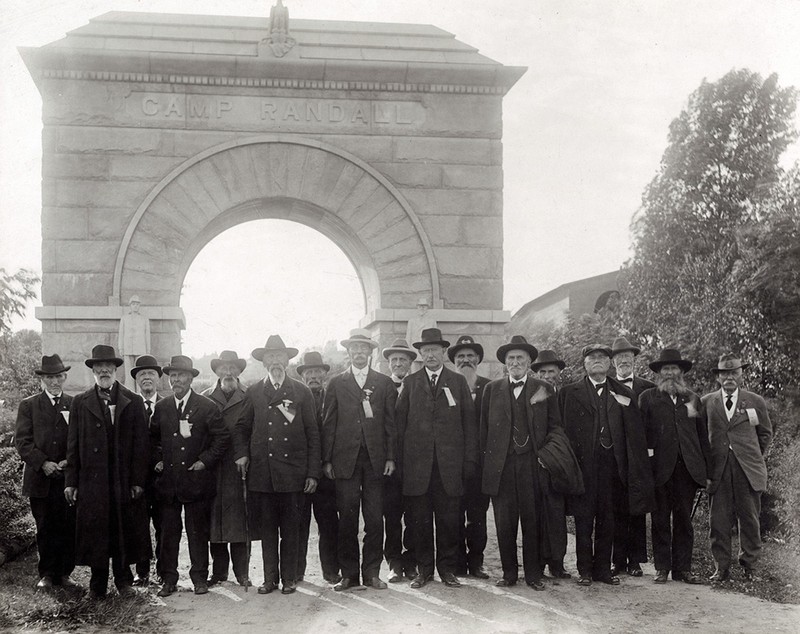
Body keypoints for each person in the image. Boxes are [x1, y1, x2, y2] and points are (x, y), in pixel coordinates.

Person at [559, 344, 654, 587]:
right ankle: (585, 571)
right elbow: (563, 431)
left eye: (603, 357)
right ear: (585, 364)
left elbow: (633, 435)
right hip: (583, 467)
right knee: (583, 520)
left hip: (613, 468)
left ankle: (602, 569)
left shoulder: (624, 392)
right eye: (593, 358)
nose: (598, 361)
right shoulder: (570, 392)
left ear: (610, 363)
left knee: (608, 519)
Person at [233, 335, 320, 596]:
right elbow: (241, 428)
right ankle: (270, 578)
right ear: (263, 362)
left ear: (287, 359)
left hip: (293, 474)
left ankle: (290, 578)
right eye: (270, 357)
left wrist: (312, 473)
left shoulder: (301, 391)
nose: (275, 361)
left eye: (279, 356)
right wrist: (242, 454)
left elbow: (313, 434)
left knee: (291, 530)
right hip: (263, 474)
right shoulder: (254, 391)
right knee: (268, 530)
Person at [65, 344, 151, 598]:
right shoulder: (81, 402)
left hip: (121, 480)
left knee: (122, 529)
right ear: (93, 371)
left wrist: (137, 481)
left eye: (109, 367)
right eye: (99, 368)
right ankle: (97, 585)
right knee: (96, 532)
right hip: (93, 481)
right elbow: (73, 445)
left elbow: (141, 445)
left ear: (116, 370)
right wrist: (71, 481)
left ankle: (123, 581)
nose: (104, 371)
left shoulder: (132, 401)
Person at [481, 336, 566, 590]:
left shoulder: (543, 388)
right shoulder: (492, 390)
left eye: (520, 358)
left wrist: (545, 458)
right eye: (511, 359)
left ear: (529, 361)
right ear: (505, 363)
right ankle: (509, 574)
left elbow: (555, 428)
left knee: (533, 521)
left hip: (532, 465)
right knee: (505, 523)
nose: (515, 362)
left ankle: (533, 575)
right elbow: (483, 431)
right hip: (502, 467)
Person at [395, 328, 478, 589]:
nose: (430, 355)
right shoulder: (410, 383)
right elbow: (399, 426)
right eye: (426, 350)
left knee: (449, 521)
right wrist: (399, 464)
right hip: (418, 469)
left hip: (449, 468)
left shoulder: (457, 382)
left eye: (435, 350)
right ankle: (424, 571)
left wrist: (468, 462)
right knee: (419, 522)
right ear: (420, 354)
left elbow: (469, 425)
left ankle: (447, 570)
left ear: (444, 352)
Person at [322, 329, 397, 591]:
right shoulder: (336, 383)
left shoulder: (384, 383)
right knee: (348, 520)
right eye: (354, 348)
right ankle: (349, 575)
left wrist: (389, 456)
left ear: (370, 352)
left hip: (375, 462)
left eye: (364, 348)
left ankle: (372, 573)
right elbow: (328, 423)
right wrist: (327, 460)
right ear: (349, 352)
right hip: (345, 462)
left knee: (375, 519)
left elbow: (390, 423)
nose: (359, 352)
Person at [152, 355, 229, 597]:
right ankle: (169, 578)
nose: (176, 380)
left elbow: (222, 438)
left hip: (196, 482)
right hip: (169, 483)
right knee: (168, 533)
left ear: (190, 378)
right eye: (172, 376)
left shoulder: (206, 406)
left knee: (197, 532)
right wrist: (158, 460)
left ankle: (199, 578)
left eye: (181, 375)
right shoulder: (162, 407)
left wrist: (204, 462)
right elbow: (151, 440)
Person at [640, 349, 710, 585]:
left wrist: (707, 472)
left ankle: (683, 569)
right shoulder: (648, 398)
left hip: (687, 470)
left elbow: (702, 437)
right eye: (665, 369)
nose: (670, 373)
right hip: (659, 469)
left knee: (684, 520)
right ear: (659, 373)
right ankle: (662, 568)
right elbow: (643, 437)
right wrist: (645, 470)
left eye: (674, 368)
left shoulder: (692, 398)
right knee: (660, 519)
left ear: (681, 372)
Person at [702, 354, 772, 583]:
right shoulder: (706, 402)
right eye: (725, 373)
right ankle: (721, 567)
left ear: (742, 375)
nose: (729, 377)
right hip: (718, 470)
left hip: (747, 470)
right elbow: (701, 436)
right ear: (718, 377)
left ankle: (749, 566)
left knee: (750, 519)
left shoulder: (755, 401)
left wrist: (750, 456)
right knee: (718, 521)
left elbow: (765, 434)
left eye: (734, 373)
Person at [15, 354, 75, 590]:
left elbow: (78, 440)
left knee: (68, 526)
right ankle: (47, 574)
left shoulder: (74, 404)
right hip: (39, 479)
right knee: (45, 527)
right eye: (49, 377)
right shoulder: (29, 405)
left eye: (58, 376)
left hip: (66, 478)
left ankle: (65, 573)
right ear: (42, 380)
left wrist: (67, 461)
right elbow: (23, 442)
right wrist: (43, 463)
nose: (54, 382)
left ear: (64, 377)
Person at [202, 351, 251, 588]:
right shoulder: (205, 398)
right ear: (217, 372)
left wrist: (247, 455)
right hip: (214, 468)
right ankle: (219, 573)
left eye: (233, 368)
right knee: (216, 520)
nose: (228, 372)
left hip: (240, 467)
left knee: (240, 521)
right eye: (224, 368)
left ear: (239, 371)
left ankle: (242, 573)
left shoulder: (250, 396)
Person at [609, 336, 655, 577]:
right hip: (615, 456)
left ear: (634, 360)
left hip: (639, 457)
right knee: (616, 508)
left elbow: (654, 424)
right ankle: (618, 561)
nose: (623, 360)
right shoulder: (606, 386)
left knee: (637, 508)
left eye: (627, 356)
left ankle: (635, 560)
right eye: (619, 357)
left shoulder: (647, 387)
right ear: (612, 361)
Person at [296, 350, 340, 584]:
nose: (313, 376)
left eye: (317, 372)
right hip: (301, 473)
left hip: (326, 473)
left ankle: (331, 570)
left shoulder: (333, 396)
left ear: (324, 374)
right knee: (299, 524)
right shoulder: (295, 398)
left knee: (329, 524)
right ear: (303, 376)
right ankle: (297, 571)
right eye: (309, 372)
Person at [448, 335, 490, 579]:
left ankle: (476, 562)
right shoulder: (446, 385)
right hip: (452, 464)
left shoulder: (489, 387)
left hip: (480, 465)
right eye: (461, 357)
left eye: (470, 356)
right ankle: (456, 563)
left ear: (478, 360)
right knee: (453, 514)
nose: (466, 360)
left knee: (477, 516)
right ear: (454, 361)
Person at [530, 348, 572, 578]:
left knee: (557, 513)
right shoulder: (533, 394)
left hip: (561, 462)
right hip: (538, 461)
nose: (547, 376)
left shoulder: (567, 395)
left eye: (551, 371)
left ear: (559, 373)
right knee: (538, 514)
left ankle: (557, 563)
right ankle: (537, 563)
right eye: (543, 371)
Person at [381, 338, 417, 582]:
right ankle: (393, 562)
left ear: (410, 363)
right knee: (391, 516)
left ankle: (411, 561)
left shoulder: (418, 385)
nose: (398, 363)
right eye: (394, 360)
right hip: (389, 464)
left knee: (414, 515)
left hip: (415, 463)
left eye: (403, 359)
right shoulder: (382, 386)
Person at [130, 354, 164, 586]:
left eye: (151, 374)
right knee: (140, 526)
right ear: (136, 381)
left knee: (163, 524)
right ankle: (142, 572)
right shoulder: (129, 407)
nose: (147, 378)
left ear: (158, 379)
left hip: (162, 478)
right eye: (142, 375)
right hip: (138, 479)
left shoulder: (168, 406)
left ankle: (163, 569)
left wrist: (163, 460)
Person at [118, 296, 151, 390]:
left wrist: (148, 349)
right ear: (130, 306)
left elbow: (147, 335)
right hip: (127, 348)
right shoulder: (124, 318)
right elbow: (121, 333)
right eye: (133, 304)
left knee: (140, 371)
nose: (135, 306)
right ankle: (130, 392)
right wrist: (121, 347)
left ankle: (140, 392)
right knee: (128, 373)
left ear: (139, 306)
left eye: (137, 304)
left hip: (141, 349)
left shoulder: (144, 319)